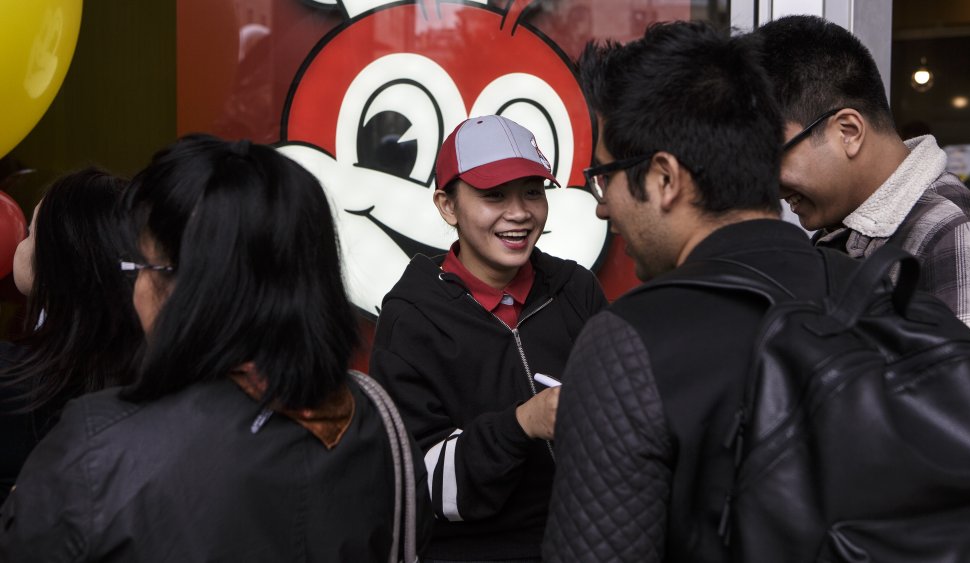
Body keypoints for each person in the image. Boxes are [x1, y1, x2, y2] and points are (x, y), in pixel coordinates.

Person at [0, 135, 432, 561]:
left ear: (189, 287)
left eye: (142, 268)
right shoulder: (376, 417)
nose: (135, 291)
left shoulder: (97, 445)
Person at [540, 21, 857, 561]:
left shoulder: (630, 342)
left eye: (604, 177)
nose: (601, 205)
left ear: (664, 178)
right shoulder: (876, 289)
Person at [370, 115, 607, 562]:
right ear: (447, 205)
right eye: (493, 195)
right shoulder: (412, 318)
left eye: (533, 192)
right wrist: (521, 425)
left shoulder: (577, 289)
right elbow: (420, 486)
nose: (519, 213)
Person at [755, 15, 970, 352]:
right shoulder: (840, 233)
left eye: (772, 157)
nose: (771, 185)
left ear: (848, 132)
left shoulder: (954, 232)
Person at [0, 168, 143, 505]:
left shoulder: (12, 376)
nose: (20, 240)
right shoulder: (148, 379)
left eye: (31, 233)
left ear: (53, 262)